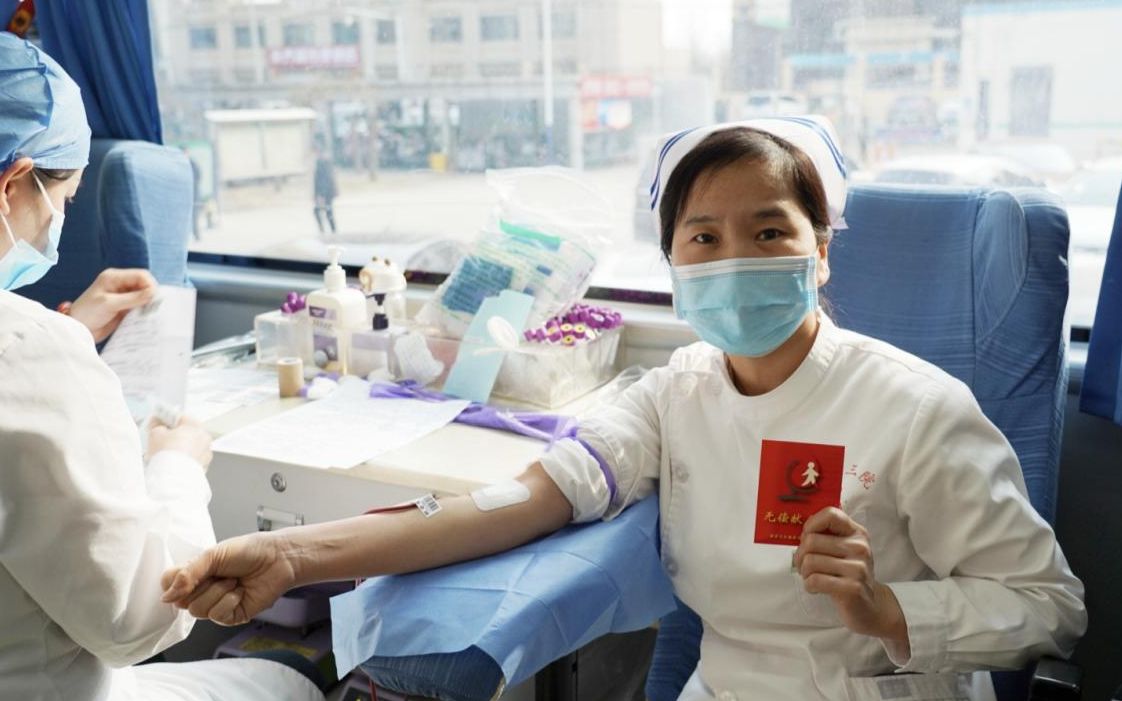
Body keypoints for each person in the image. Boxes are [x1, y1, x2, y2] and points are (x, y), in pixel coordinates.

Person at [162, 116, 1087, 700]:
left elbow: (1050, 608)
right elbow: (520, 501)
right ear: (674, 265)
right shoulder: (677, 392)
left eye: (769, 230)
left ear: (821, 252)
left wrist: (887, 607)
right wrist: (293, 556)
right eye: (704, 237)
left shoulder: (916, 408)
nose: (734, 257)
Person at [0, 33, 325, 701]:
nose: (57, 225)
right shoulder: (31, 352)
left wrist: (66, 330)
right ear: (11, 185)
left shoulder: (34, 346)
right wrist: (177, 466)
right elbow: (137, 618)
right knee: (286, 678)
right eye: (63, 202)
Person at [313, 145, 337, 235]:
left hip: (325, 193)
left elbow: (324, 180)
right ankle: (331, 230)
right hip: (327, 192)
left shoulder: (322, 162)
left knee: (321, 211)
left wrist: (321, 195)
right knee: (327, 211)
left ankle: (327, 230)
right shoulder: (324, 161)